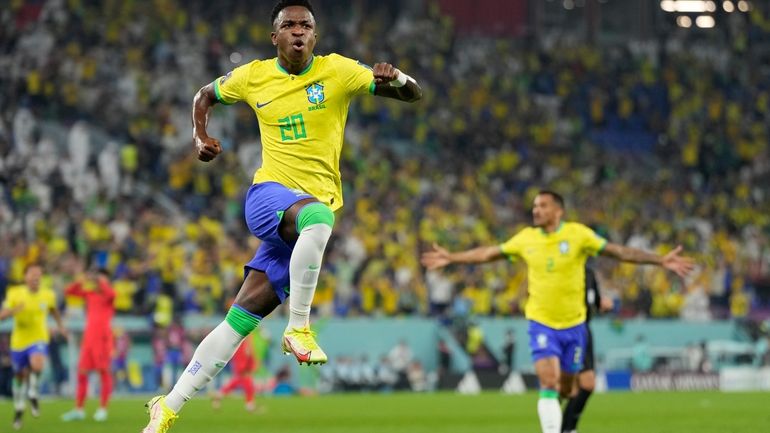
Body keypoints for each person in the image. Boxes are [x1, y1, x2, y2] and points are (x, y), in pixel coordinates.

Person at [142, 1, 421, 431]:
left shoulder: (339, 72)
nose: (297, 32)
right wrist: (199, 136)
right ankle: (300, 328)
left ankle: (169, 405)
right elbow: (204, 95)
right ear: (275, 37)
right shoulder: (253, 76)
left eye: (305, 25)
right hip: (268, 196)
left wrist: (396, 76)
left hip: (299, 225)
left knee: (239, 321)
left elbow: (413, 93)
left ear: (315, 36)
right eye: (288, 25)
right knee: (319, 219)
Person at [421, 190, 694, 433]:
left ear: (558, 210)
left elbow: (619, 252)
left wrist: (659, 260)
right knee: (548, 382)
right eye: (534, 206)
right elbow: (489, 253)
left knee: (568, 388)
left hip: (575, 326)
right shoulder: (525, 239)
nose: (535, 210)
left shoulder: (578, 235)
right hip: (541, 323)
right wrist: (452, 257)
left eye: (542, 206)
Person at [0, 264, 67, 430]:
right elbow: (2, 316)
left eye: (39, 274)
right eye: (33, 274)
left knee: (37, 363)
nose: (36, 277)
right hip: (19, 341)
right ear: (25, 277)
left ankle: (33, 392)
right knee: (19, 376)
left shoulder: (48, 294)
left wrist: (60, 326)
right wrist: (14, 310)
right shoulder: (14, 293)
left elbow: (54, 311)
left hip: (39, 337)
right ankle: (19, 408)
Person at [561, 264, 613, 433]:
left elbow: (595, 301)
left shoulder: (589, 273)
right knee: (567, 388)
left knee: (585, 385)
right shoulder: (564, 271)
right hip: (567, 329)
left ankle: (568, 428)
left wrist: (603, 304)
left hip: (584, 331)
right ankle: (560, 427)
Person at [61, 268, 116, 422]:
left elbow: (110, 293)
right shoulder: (90, 294)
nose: (99, 281)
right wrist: (82, 279)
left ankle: (103, 409)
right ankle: (79, 409)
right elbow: (69, 291)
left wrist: (99, 280)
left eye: (102, 279)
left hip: (102, 341)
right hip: (88, 341)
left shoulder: (109, 296)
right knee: (82, 373)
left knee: (103, 373)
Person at [211, 337, 261, 413]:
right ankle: (249, 404)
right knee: (246, 380)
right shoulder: (245, 335)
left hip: (241, 358)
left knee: (241, 380)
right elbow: (247, 348)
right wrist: (249, 361)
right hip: (242, 359)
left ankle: (219, 395)